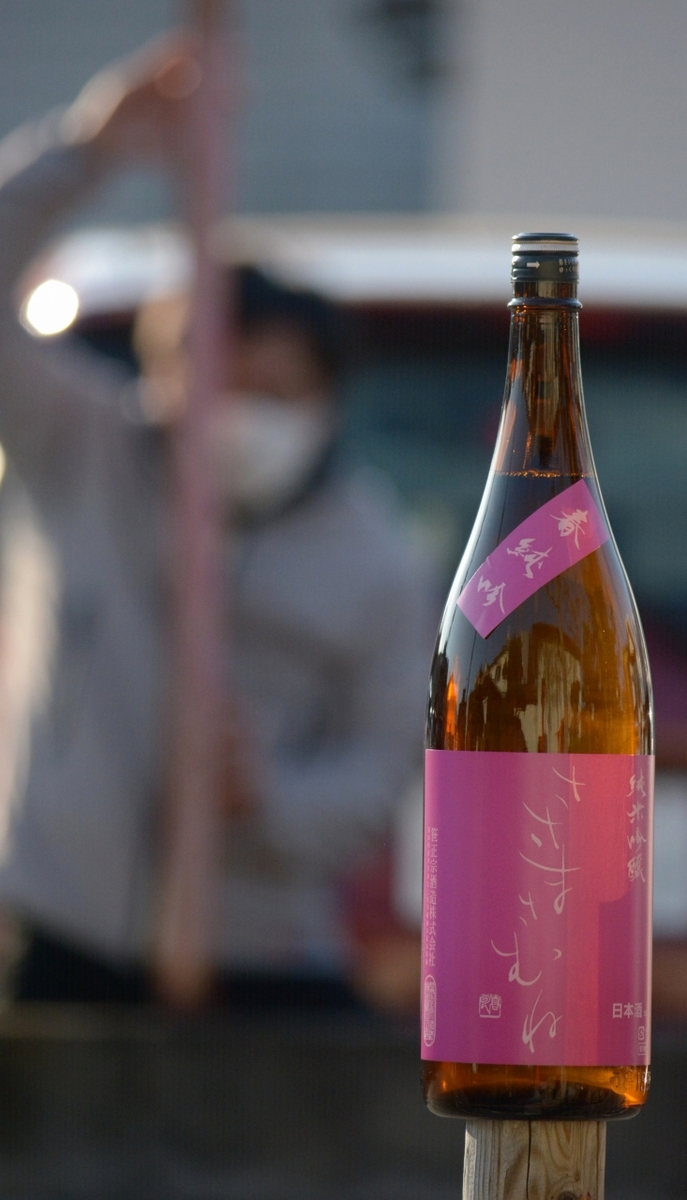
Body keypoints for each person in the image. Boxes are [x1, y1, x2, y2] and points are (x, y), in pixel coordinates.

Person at [0, 39, 430, 1006]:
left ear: (326, 400)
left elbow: (380, 772)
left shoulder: (375, 561)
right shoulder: (80, 447)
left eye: (272, 392)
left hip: (262, 955)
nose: (238, 419)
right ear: (161, 375)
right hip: (64, 934)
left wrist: (268, 799)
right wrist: (84, 153)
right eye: (213, 387)